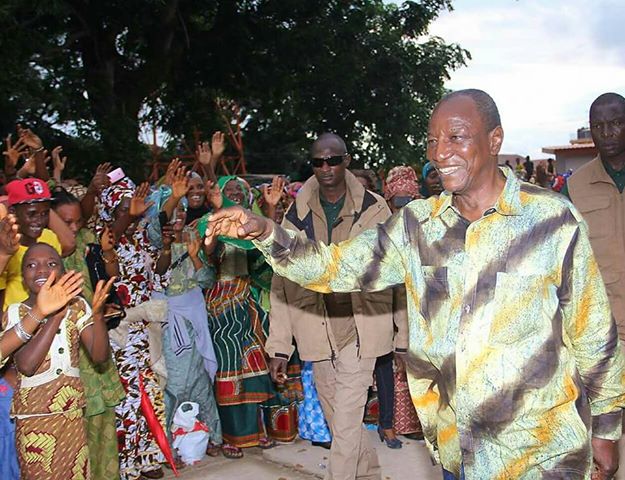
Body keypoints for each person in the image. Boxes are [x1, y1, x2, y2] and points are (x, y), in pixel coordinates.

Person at [206, 89, 625, 480]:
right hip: (456, 449)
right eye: (432, 141)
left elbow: (592, 330)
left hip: (541, 451)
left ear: (495, 139)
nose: (440, 153)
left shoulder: (552, 220)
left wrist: (607, 426)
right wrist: (264, 231)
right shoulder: (415, 227)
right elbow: (333, 267)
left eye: (456, 138)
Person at [265, 132, 397, 479]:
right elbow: (282, 279)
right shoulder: (297, 215)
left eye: (333, 160)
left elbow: (387, 266)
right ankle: (369, 475)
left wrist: (402, 333)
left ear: (346, 161)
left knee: (348, 418)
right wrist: (279, 346)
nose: (325, 168)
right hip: (316, 327)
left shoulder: (374, 208)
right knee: (341, 421)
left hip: (361, 323)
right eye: (318, 162)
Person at [6, 243, 115, 479]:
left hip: (71, 415)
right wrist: (54, 315)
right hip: (35, 421)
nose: (42, 271)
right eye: (32, 265)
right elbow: (26, 365)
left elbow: (99, 356)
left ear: (64, 273)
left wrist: (97, 315)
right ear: (23, 276)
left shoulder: (77, 307)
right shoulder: (15, 313)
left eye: (51, 264)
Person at [198, 176, 278, 459]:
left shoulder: (252, 222)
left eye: (240, 190)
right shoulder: (210, 221)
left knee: (256, 361)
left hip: (248, 297)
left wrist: (270, 211)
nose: (235, 194)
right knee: (228, 366)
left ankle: (257, 430)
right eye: (229, 191)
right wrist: (213, 232)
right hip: (221, 303)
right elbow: (209, 255)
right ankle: (232, 436)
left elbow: (269, 252)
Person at [51, 187, 126, 480]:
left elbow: (109, 275)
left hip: (94, 343)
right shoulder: (45, 251)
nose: (73, 228)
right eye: (64, 222)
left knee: (102, 427)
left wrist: (106, 253)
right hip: (64, 351)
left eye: (77, 222)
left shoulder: (87, 240)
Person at [563, 93, 625, 345]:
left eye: (616, 123)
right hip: (605, 331)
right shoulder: (574, 187)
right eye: (598, 126)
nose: (607, 133)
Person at [0, 178, 75, 310]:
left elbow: (70, 244)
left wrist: (42, 199)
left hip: (47, 314)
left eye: (45, 213)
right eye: (32, 214)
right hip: (15, 320)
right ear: (12, 212)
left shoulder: (49, 237)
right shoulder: (5, 244)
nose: (39, 221)